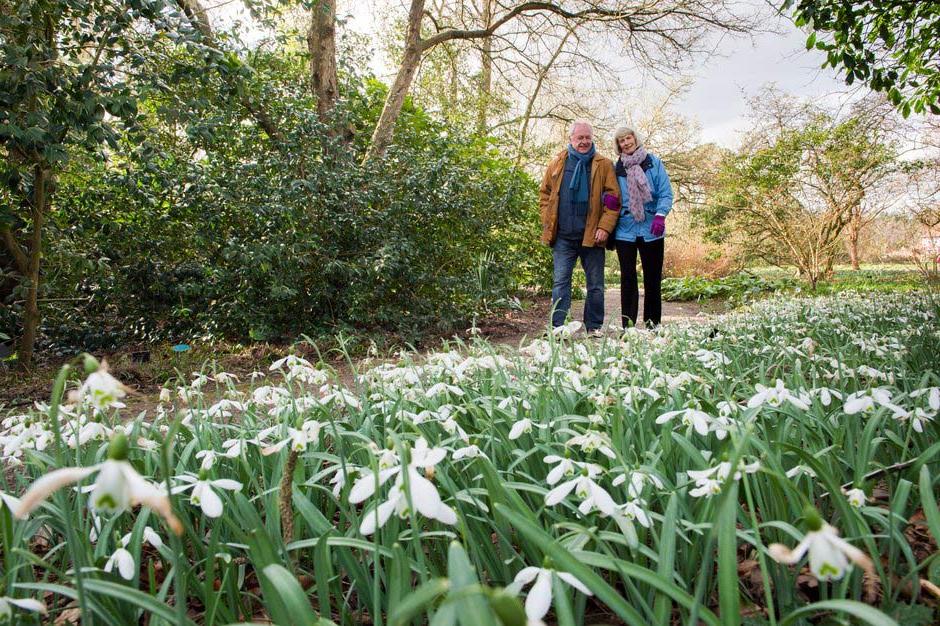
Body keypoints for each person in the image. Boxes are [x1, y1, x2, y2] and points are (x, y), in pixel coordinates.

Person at [539, 120, 621, 335]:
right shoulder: (558, 162)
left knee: (595, 285)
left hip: (592, 236)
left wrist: (605, 227)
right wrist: (547, 219)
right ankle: (558, 328)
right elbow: (545, 194)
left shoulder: (603, 165)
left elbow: (613, 199)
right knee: (560, 284)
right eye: (580, 138)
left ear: (592, 138)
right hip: (563, 236)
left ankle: (593, 327)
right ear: (571, 139)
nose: (584, 142)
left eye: (587, 137)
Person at [611, 126, 673, 329]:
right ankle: (627, 328)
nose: (626, 143)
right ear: (618, 145)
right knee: (628, 280)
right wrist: (609, 200)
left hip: (651, 228)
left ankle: (652, 326)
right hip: (625, 229)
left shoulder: (653, 163)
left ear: (635, 139)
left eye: (628, 138)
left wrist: (660, 216)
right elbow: (610, 192)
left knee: (652, 279)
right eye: (621, 141)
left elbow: (665, 193)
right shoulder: (616, 168)